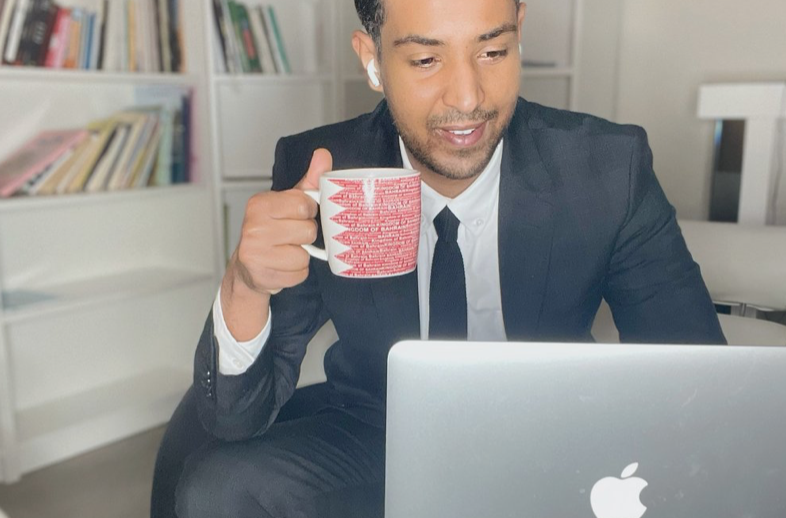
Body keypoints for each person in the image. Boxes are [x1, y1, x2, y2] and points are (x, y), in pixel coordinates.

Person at [151, 0, 726, 516]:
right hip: (383, 429)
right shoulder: (321, 168)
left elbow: (695, 376)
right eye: (426, 60)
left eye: (493, 50)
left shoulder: (607, 169)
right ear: (372, 58)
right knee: (217, 487)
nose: (468, 97)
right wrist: (246, 285)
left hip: (562, 433)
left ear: (519, 32)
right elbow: (233, 418)